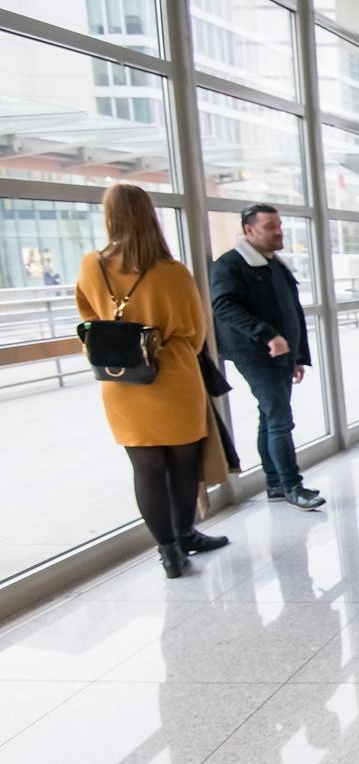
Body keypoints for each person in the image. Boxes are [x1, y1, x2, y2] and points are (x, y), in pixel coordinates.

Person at [76, 184, 229, 578]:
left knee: (144, 470)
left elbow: (87, 318)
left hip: (121, 380)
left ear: (110, 216)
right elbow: (194, 333)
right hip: (173, 375)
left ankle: (169, 553)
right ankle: (186, 533)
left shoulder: (92, 265)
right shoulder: (172, 272)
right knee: (181, 466)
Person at [210, 204, 325, 511]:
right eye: (270, 226)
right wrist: (266, 335)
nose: (279, 232)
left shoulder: (275, 264)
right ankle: (291, 486)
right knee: (279, 419)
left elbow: (292, 311)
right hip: (256, 353)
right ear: (248, 231)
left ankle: (275, 483)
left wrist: (298, 355)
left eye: (280, 225)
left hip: (282, 354)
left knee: (270, 417)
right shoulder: (230, 265)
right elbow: (224, 307)